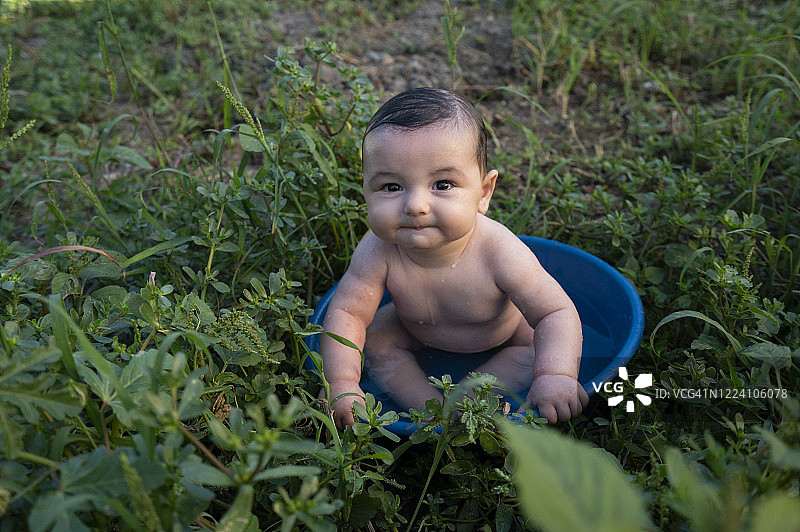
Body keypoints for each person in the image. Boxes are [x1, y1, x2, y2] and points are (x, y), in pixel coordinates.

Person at [320, 87, 588, 429]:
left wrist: (556, 373)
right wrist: (342, 384)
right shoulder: (377, 249)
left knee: (537, 349)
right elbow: (347, 313)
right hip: (414, 329)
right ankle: (429, 411)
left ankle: (465, 400)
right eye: (391, 186)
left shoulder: (498, 250)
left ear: (483, 192)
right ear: (366, 191)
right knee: (377, 339)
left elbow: (555, 312)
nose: (415, 205)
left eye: (442, 184)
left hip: (506, 340)